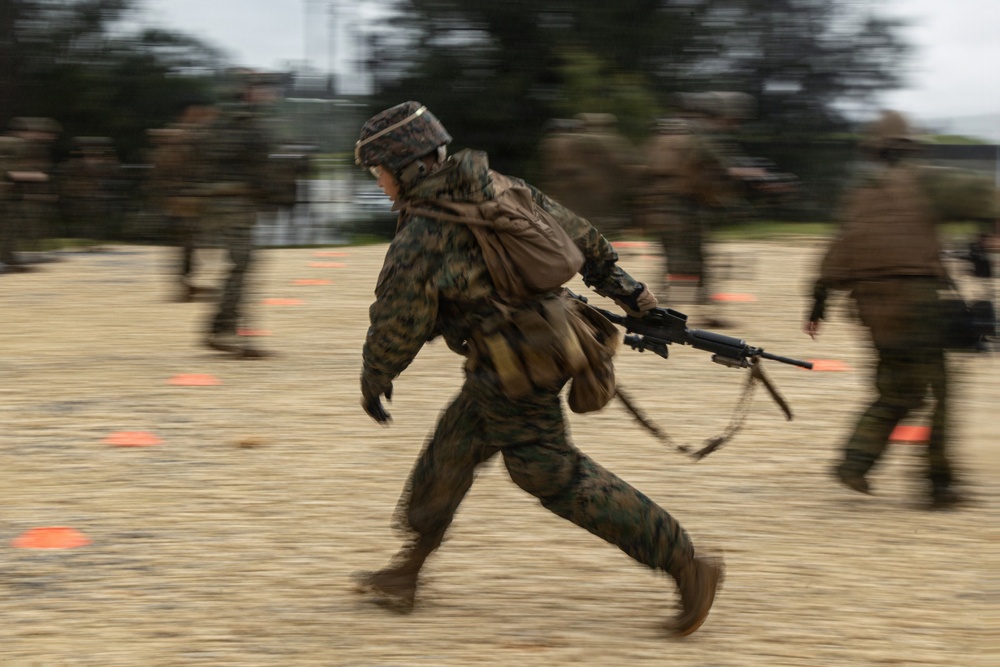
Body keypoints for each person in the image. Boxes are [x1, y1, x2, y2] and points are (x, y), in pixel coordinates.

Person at [352, 101, 723, 636]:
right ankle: (407, 571)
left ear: (409, 167)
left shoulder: (423, 233)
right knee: (453, 451)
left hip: (514, 365)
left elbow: (397, 321)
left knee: (549, 471)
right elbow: (586, 240)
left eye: (380, 171)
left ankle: (686, 563)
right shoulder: (500, 186)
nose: (380, 182)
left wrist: (375, 376)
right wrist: (635, 297)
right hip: (538, 342)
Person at [804, 110, 970, 508]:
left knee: (896, 391)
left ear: (874, 152)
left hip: (874, 310)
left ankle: (854, 462)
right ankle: (939, 484)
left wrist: (818, 305)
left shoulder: (859, 196)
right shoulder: (927, 182)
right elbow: (983, 198)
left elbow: (835, 258)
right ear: (911, 148)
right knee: (940, 392)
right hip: (920, 304)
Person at [197, 71, 277, 357]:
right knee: (241, 265)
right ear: (249, 92)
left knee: (239, 265)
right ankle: (223, 330)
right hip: (236, 203)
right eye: (264, 88)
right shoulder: (248, 125)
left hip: (217, 202)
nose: (270, 94)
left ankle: (225, 329)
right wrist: (270, 195)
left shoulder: (216, 122)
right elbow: (261, 166)